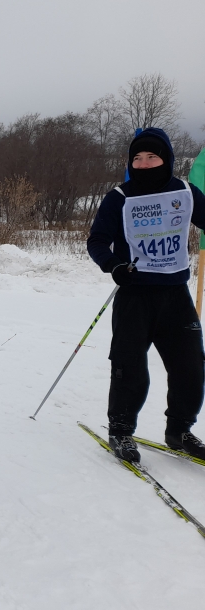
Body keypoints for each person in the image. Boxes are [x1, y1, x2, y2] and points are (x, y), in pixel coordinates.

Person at [87, 128, 205, 462]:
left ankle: (179, 430)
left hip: (175, 294)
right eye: (137, 158)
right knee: (129, 367)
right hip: (135, 295)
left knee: (190, 367)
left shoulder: (185, 192)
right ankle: (121, 431)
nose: (143, 164)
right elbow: (97, 241)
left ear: (166, 159)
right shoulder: (119, 197)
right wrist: (113, 265)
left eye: (151, 157)